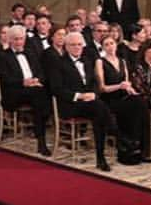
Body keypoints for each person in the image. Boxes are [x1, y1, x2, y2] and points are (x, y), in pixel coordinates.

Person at [50, 31, 116, 170]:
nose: (77, 47)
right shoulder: (58, 63)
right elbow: (57, 89)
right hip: (70, 105)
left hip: (90, 104)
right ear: (66, 47)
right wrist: (79, 96)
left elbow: (94, 83)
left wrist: (93, 93)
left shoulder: (86, 61)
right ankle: (115, 134)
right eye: (73, 45)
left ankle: (100, 157)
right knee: (100, 108)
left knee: (98, 112)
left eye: (79, 44)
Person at [0, 25, 51, 156]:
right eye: (16, 39)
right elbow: (5, 78)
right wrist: (23, 82)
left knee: (43, 95)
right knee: (40, 98)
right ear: (10, 40)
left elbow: (41, 72)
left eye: (21, 39)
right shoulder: (3, 56)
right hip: (14, 93)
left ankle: (40, 137)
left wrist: (37, 80)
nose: (19, 42)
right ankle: (41, 139)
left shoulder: (30, 53)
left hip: (33, 90)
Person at [94, 34, 147, 163]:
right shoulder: (100, 61)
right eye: (106, 44)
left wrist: (132, 90)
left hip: (124, 97)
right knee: (134, 107)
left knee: (140, 103)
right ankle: (129, 145)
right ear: (102, 47)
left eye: (111, 43)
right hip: (109, 99)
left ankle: (136, 146)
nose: (110, 47)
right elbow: (102, 88)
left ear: (116, 44)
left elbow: (127, 83)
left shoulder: (122, 61)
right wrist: (119, 86)